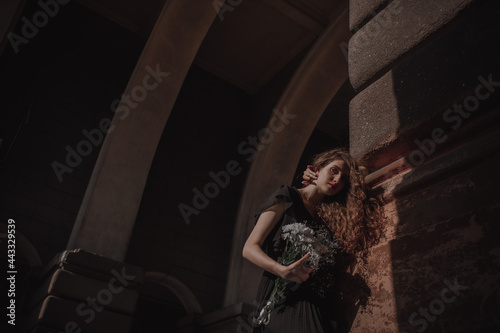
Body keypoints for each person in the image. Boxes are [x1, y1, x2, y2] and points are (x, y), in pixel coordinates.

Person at [242, 148, 385, 333]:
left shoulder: (328, 218)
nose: (337, 180)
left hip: (319, 305)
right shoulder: (287, 198)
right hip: (285, 299)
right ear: (316, 169)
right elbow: (249, 248)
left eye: (344, 179)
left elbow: (363, 172)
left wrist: (353, 173)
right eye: (334, 170)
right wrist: (282, 271)